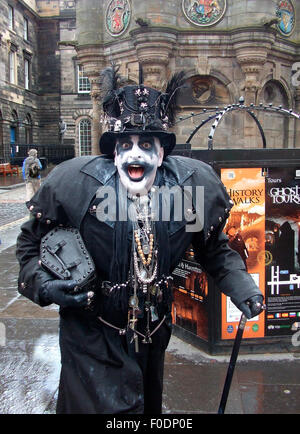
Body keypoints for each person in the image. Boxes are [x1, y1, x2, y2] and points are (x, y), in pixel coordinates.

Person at [16, 67, 264, 414]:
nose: (135, 155)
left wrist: (243, 287)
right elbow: (29, 247)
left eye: (146, 145)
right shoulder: (77, 186)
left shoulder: (188, 190)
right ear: (113, 152)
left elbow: (214, 250)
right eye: (125, 145)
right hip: (91, 336)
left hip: (153, 333)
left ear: (162, 153)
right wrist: (45, 285)